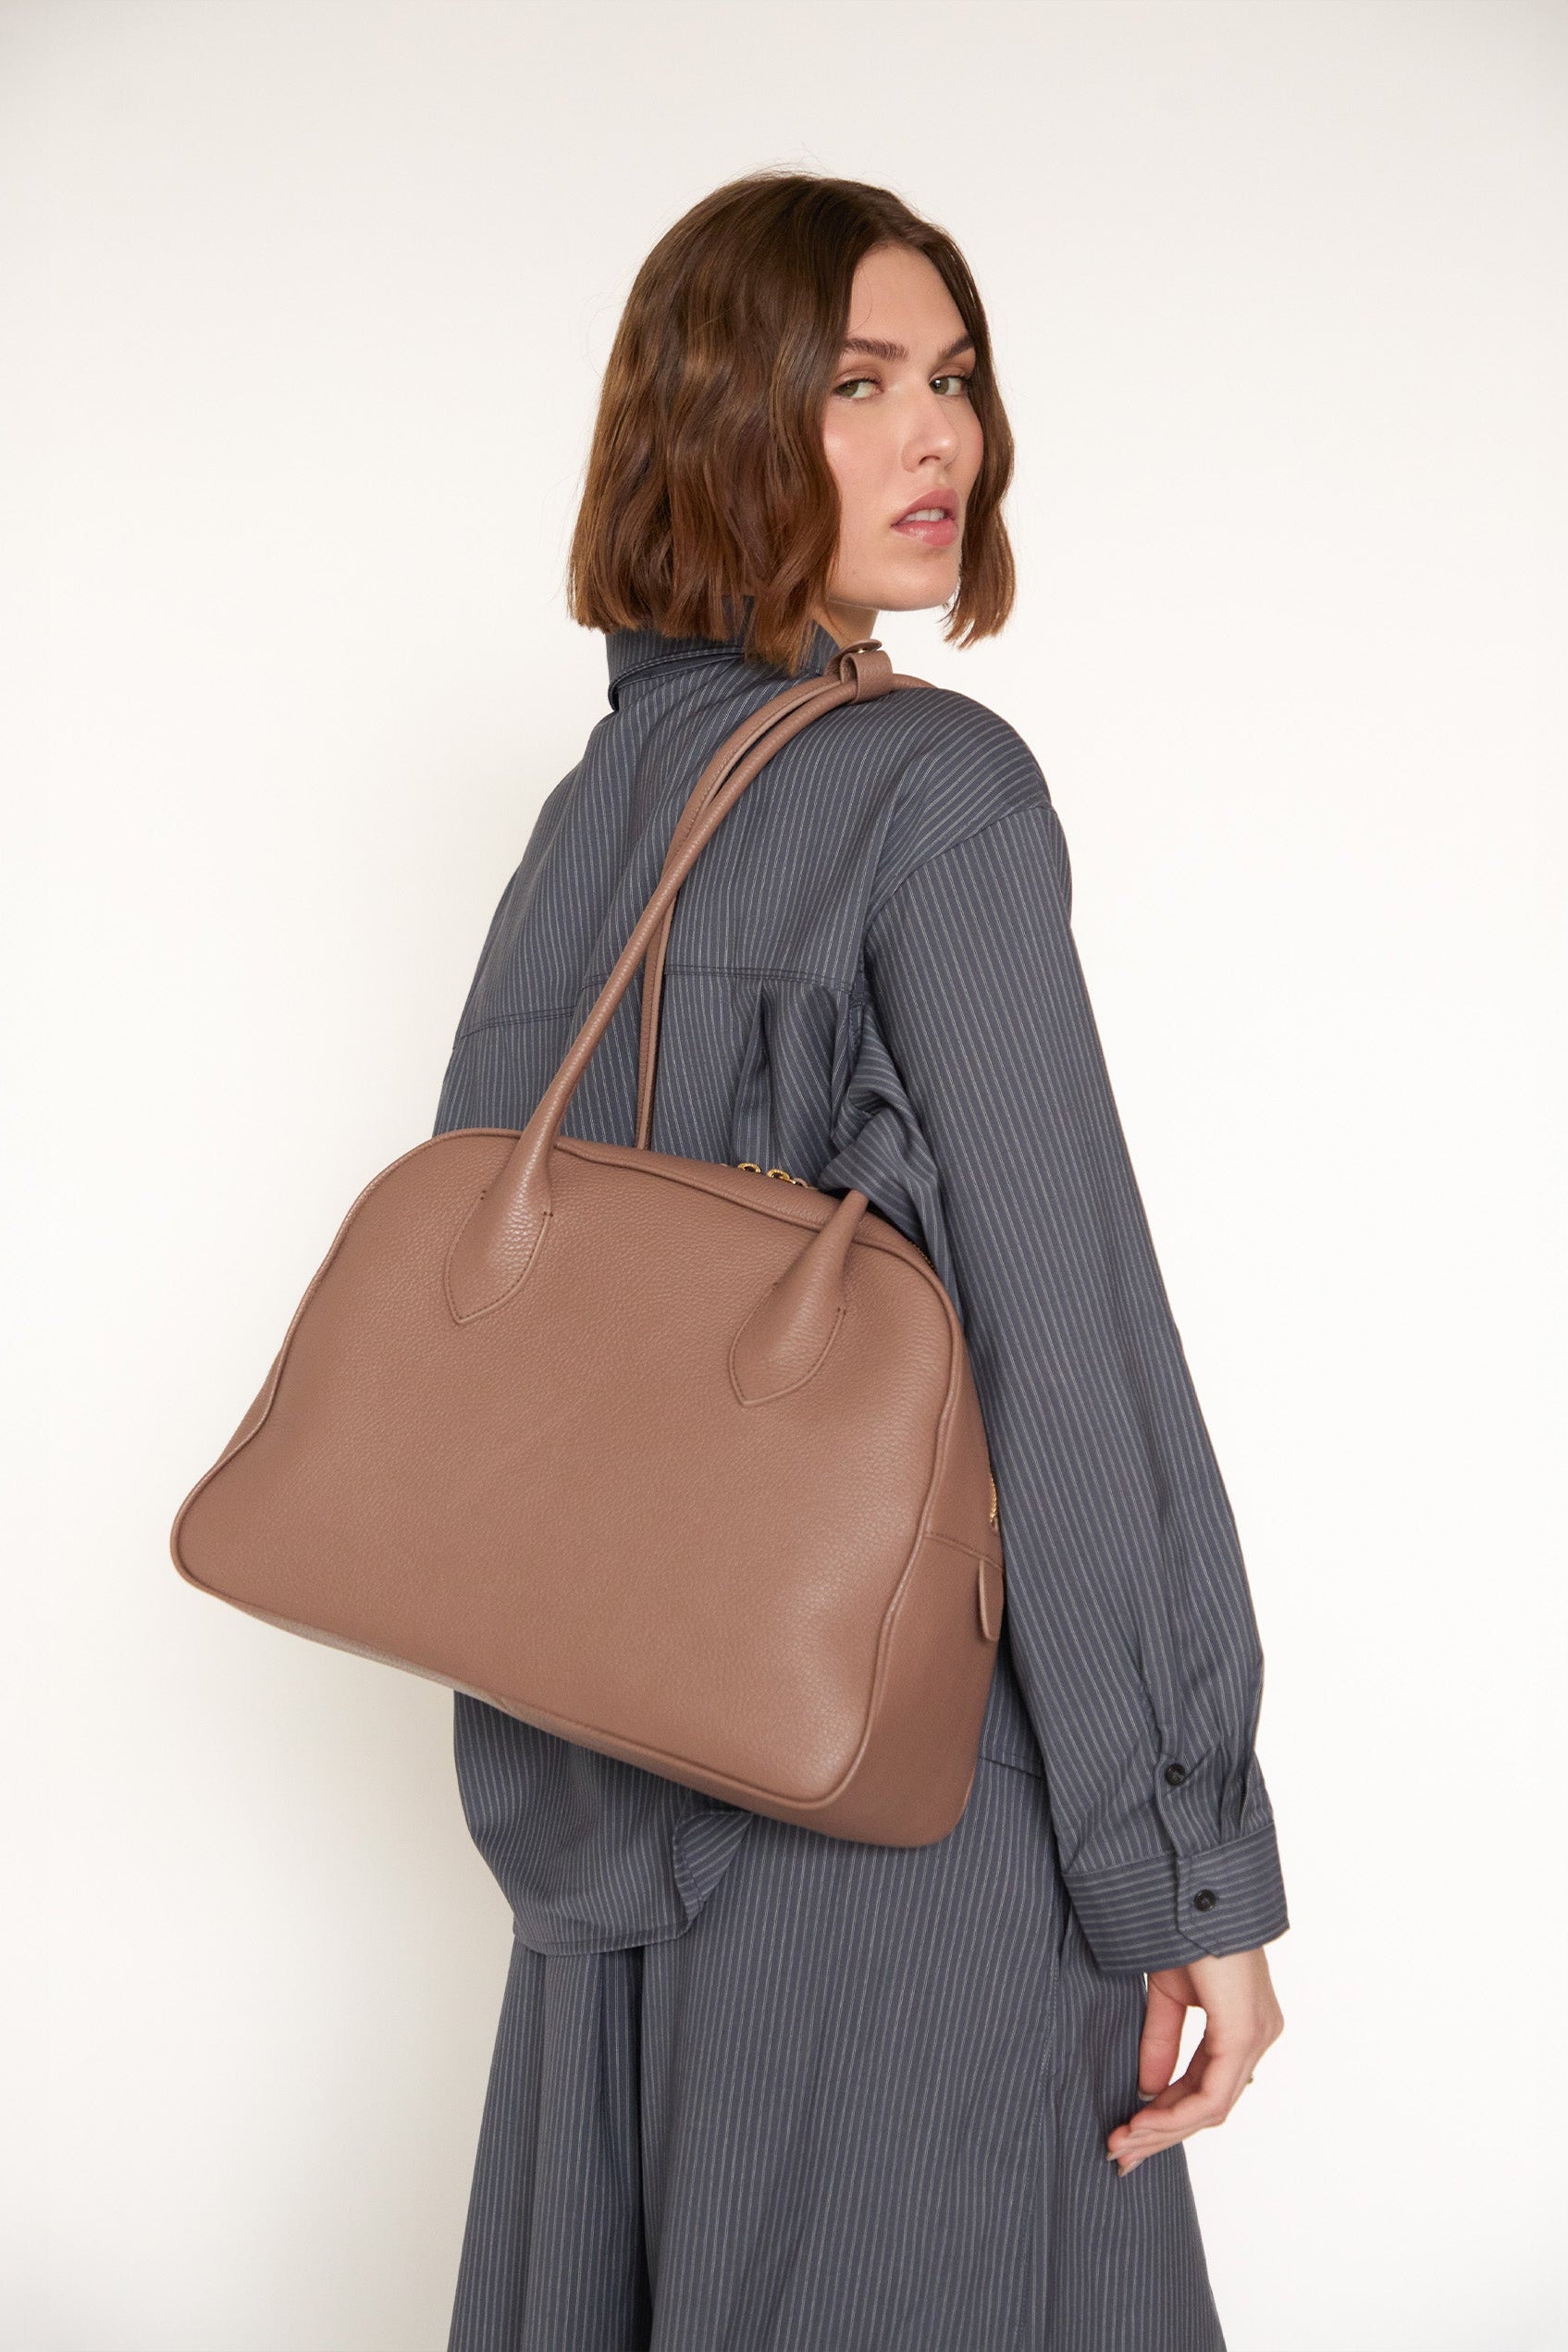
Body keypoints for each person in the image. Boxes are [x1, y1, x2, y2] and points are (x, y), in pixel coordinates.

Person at [435, 171, 1288, 2352]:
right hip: (894, 1830)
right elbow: (1062, 1348)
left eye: (958, 380)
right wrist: (1176, 1861)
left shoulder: (585, 822)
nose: (944, 442)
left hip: (603, 1844)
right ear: (719, 420)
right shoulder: (935, 791)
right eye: (858, 383)